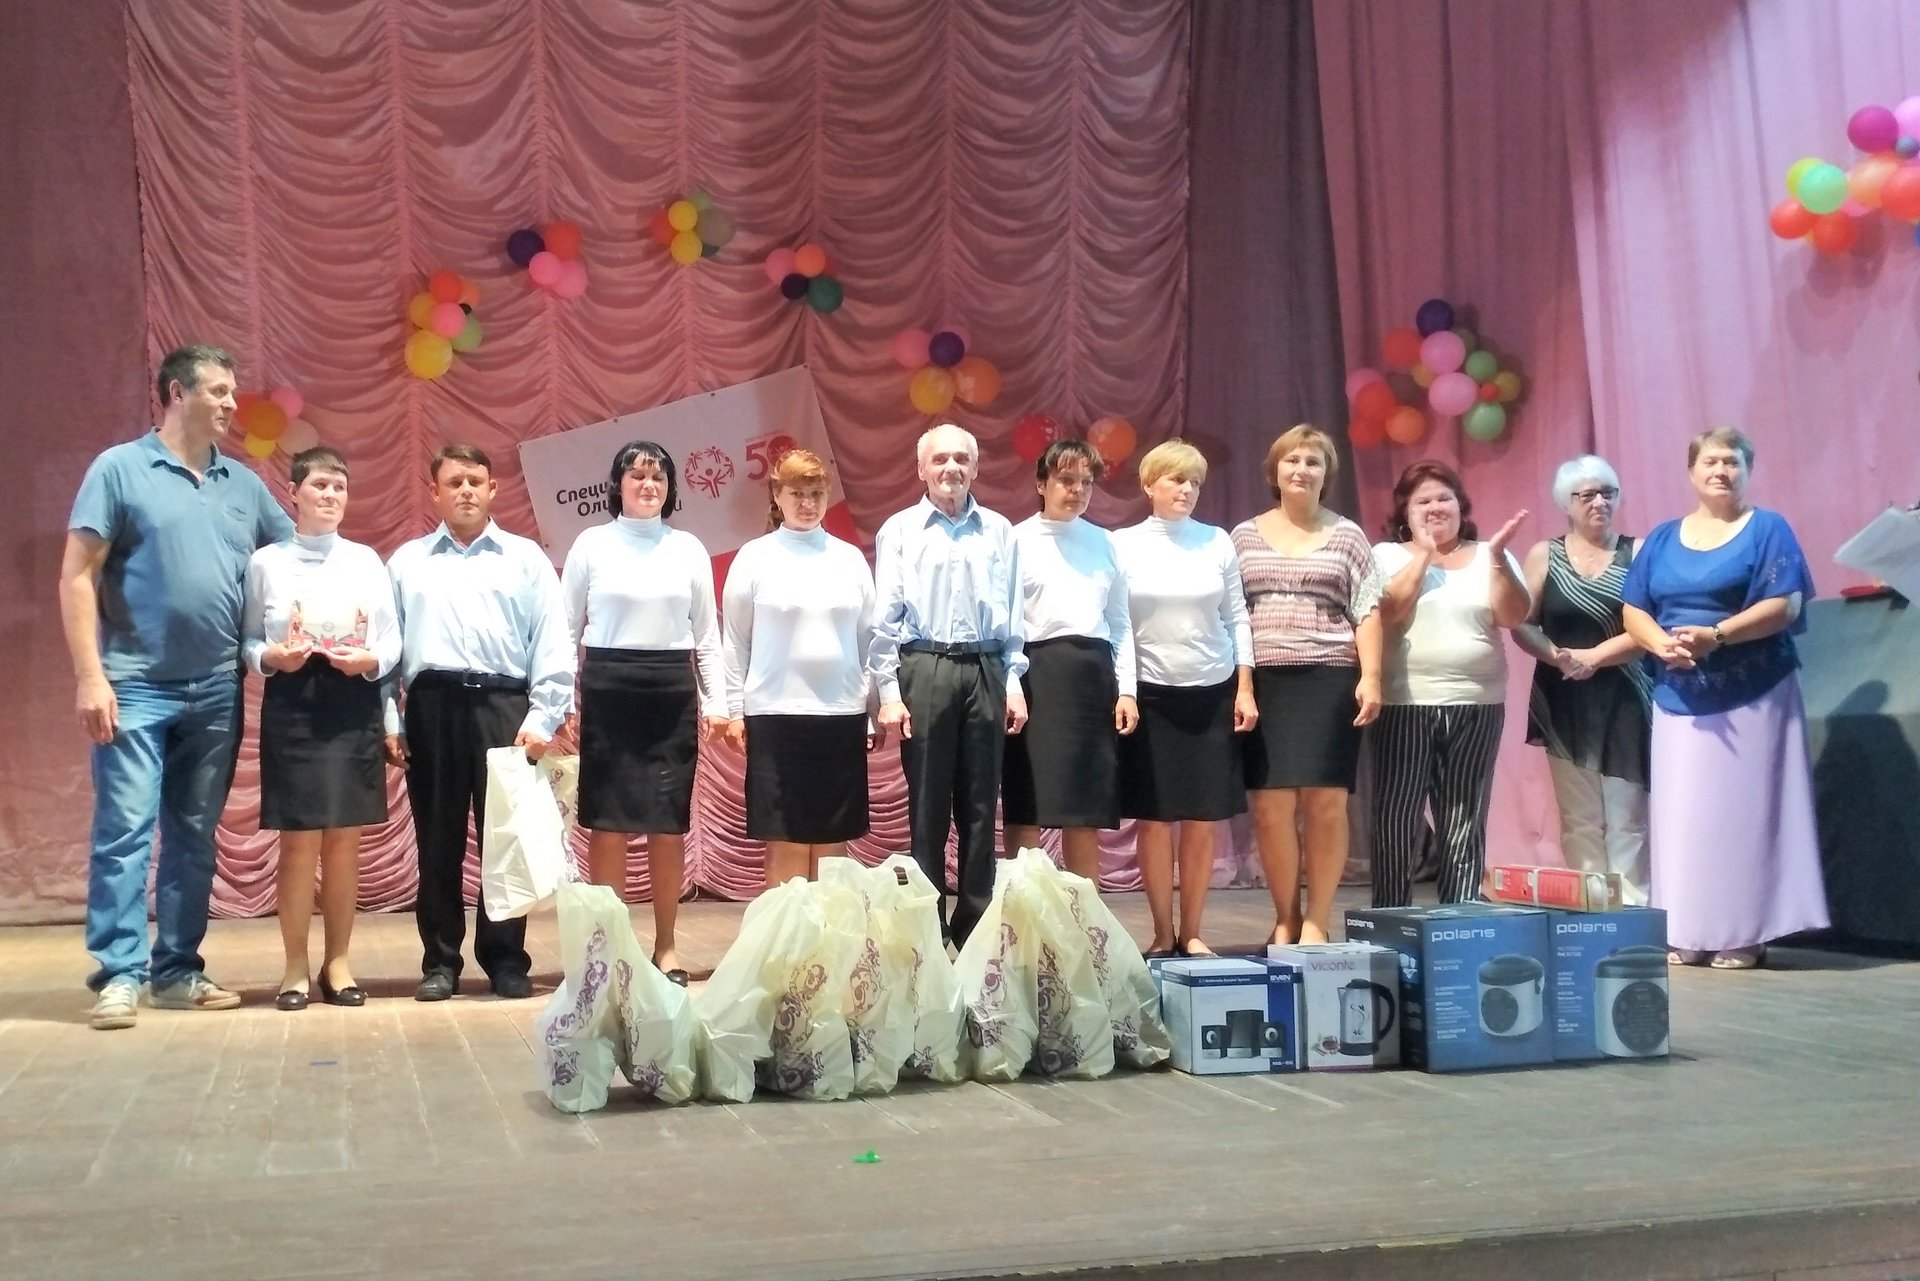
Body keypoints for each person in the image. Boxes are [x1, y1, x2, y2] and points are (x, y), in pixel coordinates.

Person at [60, 344, 295, 1030]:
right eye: (218, 391)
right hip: (133, 686)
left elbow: (296, 559)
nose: (231, 403)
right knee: (125, 832)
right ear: (176, 393)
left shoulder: (242, 484)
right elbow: (78, 575)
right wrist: (89, 674)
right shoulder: (119, 469)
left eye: (232, 391)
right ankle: (119, 975)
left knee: (194, 837)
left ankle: (177, 971)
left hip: (217, 689)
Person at [1621, 426, 1828, 969]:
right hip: (1677, 693)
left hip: (1754, 691)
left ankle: (1744, 934)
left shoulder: (1768, 528)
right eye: (1711, 461)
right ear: (1691, 471)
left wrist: (1717, 635)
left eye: (1732, 462)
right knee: (1685, 818)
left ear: (1747, 471)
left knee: (1743, 817)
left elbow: (1785, 606)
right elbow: (1634, 609)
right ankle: (1689, 930)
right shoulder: (1662, 537)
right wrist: (1660, 643)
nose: (1721, 471)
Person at [386, 444, 572, 1001]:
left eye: (475, 481)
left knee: (507, 840)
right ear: (434, 492)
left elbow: (553, 641)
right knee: (436, 840)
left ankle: (506, 959)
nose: (465, 490)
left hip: (505, 708)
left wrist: (544, 715)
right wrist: (390, 719)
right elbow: (387, 649)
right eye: (454, 482)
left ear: (493, 489)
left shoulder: (525, 559)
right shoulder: (407, 562)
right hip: (432, 707)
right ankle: (440, 961)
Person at [561, 440, 726, 985]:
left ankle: (667, 947)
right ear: (617, 485)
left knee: (666, 825)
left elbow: (706, 635)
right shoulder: (591, 544)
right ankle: (608, 949)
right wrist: (561, 699)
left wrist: (717, 702)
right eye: (637, 475)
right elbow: (566, 629)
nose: (648, 485)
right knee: (607, 825)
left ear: (670, 488)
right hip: (609, 688)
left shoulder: (688, 548)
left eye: (658, 477)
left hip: (670, 691)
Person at [243, 447, 401, 1009]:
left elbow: (391, 639)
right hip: (293, 703)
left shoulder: (365, 560)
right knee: (298, 841)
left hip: (351, 702)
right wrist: (270, 657)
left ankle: (338, 964)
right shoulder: (266, 562)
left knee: (343, 842)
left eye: (339, 487)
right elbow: (247, 640)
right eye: (319, 486)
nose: (331, 496)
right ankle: (293, 968)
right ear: (293, 493)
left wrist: (371, 662)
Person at [870, 423, 1028, 946]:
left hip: (986, 667)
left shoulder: (1001, 531)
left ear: (976, 468)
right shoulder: (899, 530)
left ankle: (976, 927)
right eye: (939, 459)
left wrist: (1013, 681)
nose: (951, 468)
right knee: (928, 807)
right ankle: (928, 928)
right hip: (926, 667)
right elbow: (884, 620)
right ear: (921, 469)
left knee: (982, 805)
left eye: (961, 458)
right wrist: (889, 693)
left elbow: (1014, 614)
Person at [1232, 425, 1383, 945]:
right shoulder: (1243, 536)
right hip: (1263, 680)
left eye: (1313, 462)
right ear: (1274, 471)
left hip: (1330, 677)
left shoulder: (1348, 536)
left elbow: (1367, 609)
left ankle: (1318, 918)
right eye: (1292, 460)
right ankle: (1286, 916)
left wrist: (1371, 677)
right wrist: (1241, 684)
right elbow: (1232, 612)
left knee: (1326, 802)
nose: (1301, 470)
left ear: (1326, 474)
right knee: (1271, 805)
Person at [1113, 439, 1255, 957]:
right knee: (1153, 819)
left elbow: (1237, 618)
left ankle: (1192, 931)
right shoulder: (1121, 544)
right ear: (1149, 485)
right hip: (1150, 694)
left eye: (1195, 481)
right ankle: (1160, 931)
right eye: (1176, 479)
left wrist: (1244, 686)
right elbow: (1117, 624)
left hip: (1211, 692)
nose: (1187, 489)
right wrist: (1125, 690)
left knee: (1200, 818)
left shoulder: (1217, 541)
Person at [1370, 460, 1529, 907]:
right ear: (1405, 512)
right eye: (1423, 501)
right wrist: (1424, 554)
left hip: (1478, 703)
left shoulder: (1490, 555)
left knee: (1464, 815)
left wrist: (1498, 561)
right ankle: (1391, 914)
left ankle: (1460, 915)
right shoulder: (1387, 556)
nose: (1435, 507)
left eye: (1445, 498)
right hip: (1404, 702)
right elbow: (1387, 612)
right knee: (1397, 816)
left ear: (1461, 506)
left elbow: (1514, 615)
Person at [721, 448, 877, 890]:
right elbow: (735, 640)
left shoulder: (849, 559)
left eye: (816, 494)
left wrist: (870, 711)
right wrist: (734, 711)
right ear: (777, 495)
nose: (807, 504)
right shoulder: (753, 557)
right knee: (786, 836)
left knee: (832, 837)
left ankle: (828, 932)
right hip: (775, 716)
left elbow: (868, 641)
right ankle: (787, 932)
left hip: (840, 716)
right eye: (797, 494)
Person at [1512, 454, 1653, 906]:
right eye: (1587, 494)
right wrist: (1556, 656)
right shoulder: (1544, 555)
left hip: (1626, 696)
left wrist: (1594, 657)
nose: (1599, 502)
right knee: (1579, 818)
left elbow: (1650, 626)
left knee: (1628, 817)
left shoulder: (1640, 551)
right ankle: (1593, 909)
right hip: (1564, 695)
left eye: (1607, 493)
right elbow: (1522, 622)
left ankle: (1632, 910)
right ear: (1566, 502)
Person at [1002, 439, 1138, 882]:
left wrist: (1127, 690)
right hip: (1035, 678)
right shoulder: (1014, 540)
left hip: (1092, 680)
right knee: (1027, 802)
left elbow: (1120, 623)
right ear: (1041, 483)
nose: (1077, 490)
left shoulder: (1106, 543)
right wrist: (1011, 686)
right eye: (1066, 480)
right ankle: (1024, 911)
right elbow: (1004, 623)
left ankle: (1085, 914)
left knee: (1084, 808)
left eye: (1086, 482)